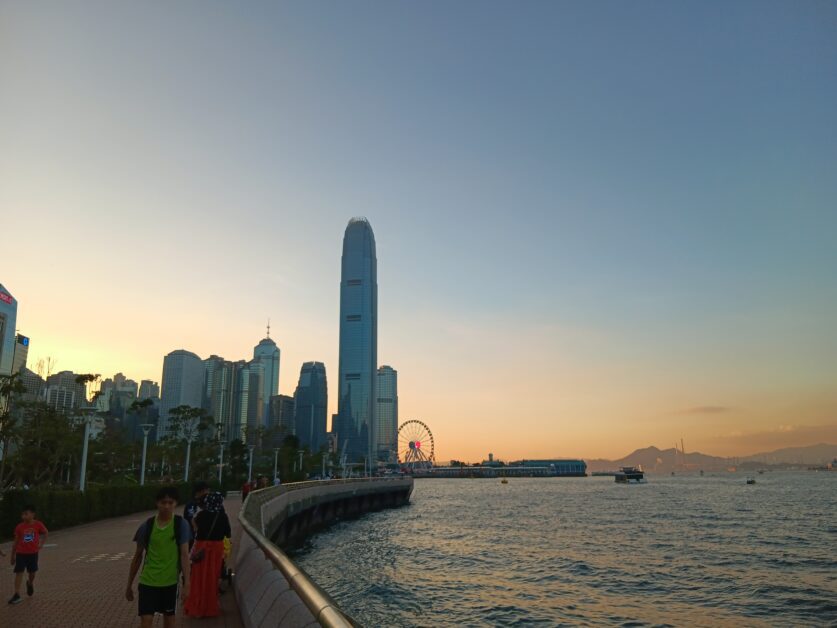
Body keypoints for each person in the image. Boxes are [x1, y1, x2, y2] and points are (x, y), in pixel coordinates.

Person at [126, 486, 192, 628]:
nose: (167, 506)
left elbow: (184, 555)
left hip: (170, 583)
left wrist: (187, 583)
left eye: (170, 502)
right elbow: (138, 556)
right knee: (146, 621)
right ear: (157, 503)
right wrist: (129, 584)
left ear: (176, 503)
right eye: (163, 502)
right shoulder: (147, 526)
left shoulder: (181, 525)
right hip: (148, 582)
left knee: (169, 622)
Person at [184, 492, 231, 618]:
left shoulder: (201, 514)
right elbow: (228, 533)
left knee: (198, 577)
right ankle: (210, 607)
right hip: (216, 549)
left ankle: (197, 606)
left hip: (201, 547)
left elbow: (194, 526)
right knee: (212, 577)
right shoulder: (222, 516)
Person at [7, 504, 48, 605]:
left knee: (32, 573)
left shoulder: (38, 524)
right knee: (19, 572)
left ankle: (30, 583)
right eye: (22, 514)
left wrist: (41, 545)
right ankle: (16, 594)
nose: (24, 516)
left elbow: (45, 533)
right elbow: (15, 542)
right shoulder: (19, 527)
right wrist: (12, 556)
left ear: (33, 514)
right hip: (21, 553)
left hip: (33, 554)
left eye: (26, 514)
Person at [183, 481, 210, 545]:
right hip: (193, 538)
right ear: (199, 492)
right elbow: (191, 519)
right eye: (206, 490)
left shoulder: (206, 503)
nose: (208, 493)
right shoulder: (191, 505)